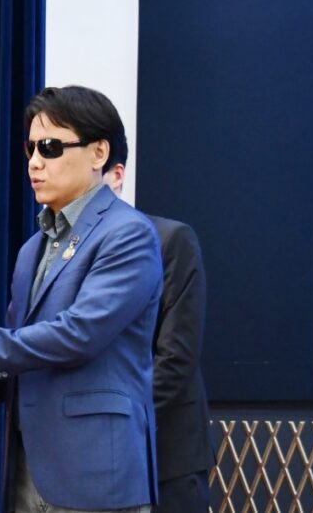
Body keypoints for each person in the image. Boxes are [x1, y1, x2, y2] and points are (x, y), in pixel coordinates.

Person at [0, 85, 163, 513]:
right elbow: (26, 349)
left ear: (99, 153)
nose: (35, 162)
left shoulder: (127, 234)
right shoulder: (32, 249)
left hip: (97, 471)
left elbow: (78, 335)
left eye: (51, 147)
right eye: (31, 148)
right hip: (29, 469)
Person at [103, 160, 215, 512]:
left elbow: (176, 358)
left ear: (116, 176)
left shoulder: (169, 239)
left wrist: (109, 423)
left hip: (164, 454)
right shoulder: (54, 252)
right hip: (88, 463)